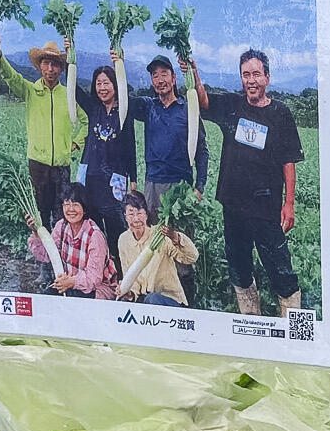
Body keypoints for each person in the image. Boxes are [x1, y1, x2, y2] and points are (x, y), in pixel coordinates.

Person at [186, 48, 305, 317]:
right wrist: (193, 72)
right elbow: (203, 100)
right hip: (233, 205)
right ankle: (251, 320)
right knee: (239, 266)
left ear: (267, 78)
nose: (251, 80)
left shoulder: (280, 113)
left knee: (280, 268)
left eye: (256, 74)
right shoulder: (231, 105)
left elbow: (289, 161)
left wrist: (289, 204)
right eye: (245, 75)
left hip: (266, 207)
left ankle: (294, 324)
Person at [0, 29, 77, 230]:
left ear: (61, 68)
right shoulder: (31, 91)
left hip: (62, 167)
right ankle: (43, 248)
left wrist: (77, 142)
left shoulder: (69, 95)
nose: (50, 69)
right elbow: (11, 77)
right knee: (41, 214)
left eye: (55, 64)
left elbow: (86, 120)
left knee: (62, 213)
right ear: (39, 66)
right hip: (38, 165)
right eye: (46, 63)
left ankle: (61, 246)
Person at [73, 57, 138, 268]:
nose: (102, 88)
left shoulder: (124, 112)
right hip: (91, 176)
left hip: (114, 179)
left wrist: (133, 178)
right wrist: (69, 61)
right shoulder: (94, 108)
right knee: (92, 225)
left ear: (115, 85)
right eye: (98, 83)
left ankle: (118, 269)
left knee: (115, 225)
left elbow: (131, 145)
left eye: (106, 83)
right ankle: (98, 269)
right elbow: (74, 90)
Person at [134, 54, 209, 217]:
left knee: (180, 231)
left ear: (174, 78)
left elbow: (201, 151)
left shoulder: (188, 110)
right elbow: (124, 101)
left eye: (164, 74)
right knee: (153, 229)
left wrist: (200, 187)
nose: (160, 80)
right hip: (153, 184)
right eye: (155, 76)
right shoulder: (148, 107)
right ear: (152, 82)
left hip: (181, 185)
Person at [116, 196, 200, 306]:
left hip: (169, 300)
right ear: (125, 217)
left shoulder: (160, 234)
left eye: (140, 213)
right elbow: (130, 275)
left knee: (152, 299)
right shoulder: (123, 240)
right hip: (144, 301)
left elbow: (191, 257)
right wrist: (129, 293)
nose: (136, 219)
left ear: (146, 215)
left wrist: (176, 238)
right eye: (131, 214)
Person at [50, 193, 117, 299]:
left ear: (84, 209)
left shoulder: (94, 235)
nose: (71, 209)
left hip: (97, 288)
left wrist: (72, 282)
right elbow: (46, 256)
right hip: (69, 282)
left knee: (73, 298)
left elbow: (94, 278)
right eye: (67, 204)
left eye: (76, 204)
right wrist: (36, 232)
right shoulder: (61, 226)